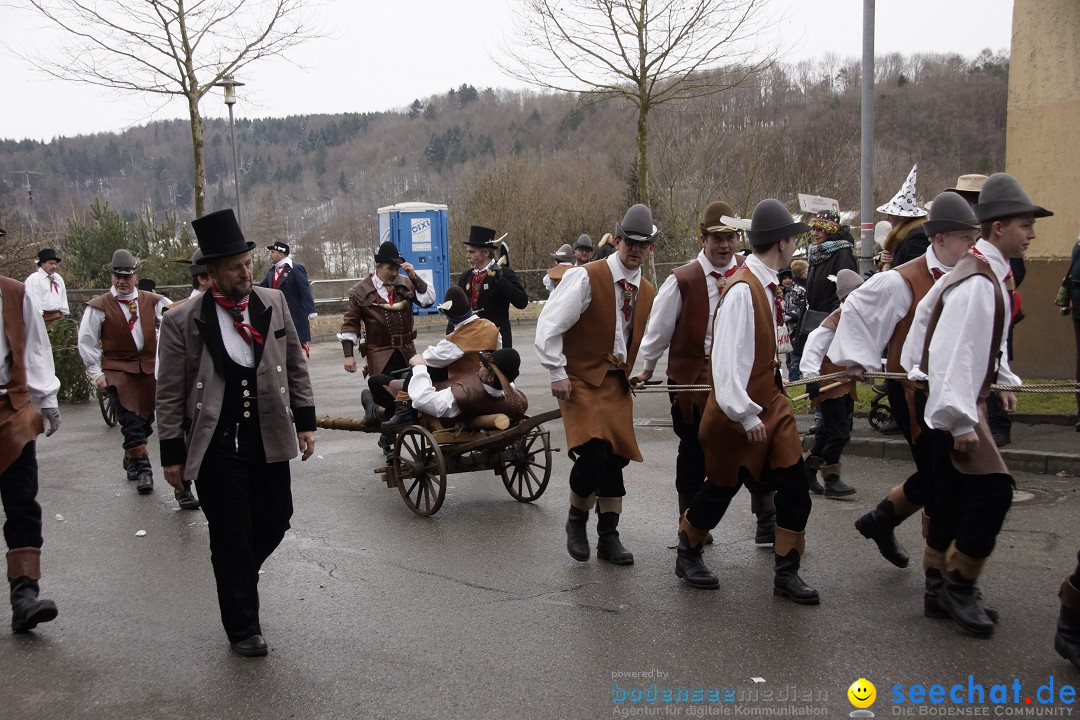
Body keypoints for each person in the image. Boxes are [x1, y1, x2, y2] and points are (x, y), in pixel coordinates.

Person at [156, 208, 316, 657]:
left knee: (276, 518)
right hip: (216, 446)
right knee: (230, 535)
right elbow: (169, 393)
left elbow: (296, 368)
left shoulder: (273, 302)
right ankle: (244, 627)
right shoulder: (181, 320)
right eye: (234, 268)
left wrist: (305, 422)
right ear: (211, 274)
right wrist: (172, 454)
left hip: (268, 436)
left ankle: (237, 575)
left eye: (247, 264)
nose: (246, 273)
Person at [901, 172, 1050, 636]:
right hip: (954, 401)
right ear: (999, 227)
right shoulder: (978, 281)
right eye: (1025, 225)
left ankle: (935, 588)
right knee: (993, 491)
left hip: (956, 398)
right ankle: (959, 584)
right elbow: (951, 353)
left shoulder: (987, 273)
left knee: (952, 494)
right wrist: (961, 420)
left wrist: (1001, 378)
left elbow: (988, 344)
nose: (1032, 234)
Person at [675, 198, 818, 603]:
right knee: (720, 489)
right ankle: (687, 552)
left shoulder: (768, 283)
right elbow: (723, 367)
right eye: (794, 239)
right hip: (738, 413)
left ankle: (786, 573)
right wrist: (744, 414)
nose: (795, 246)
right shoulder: (742, 291)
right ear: (783, 242)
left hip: (772, 404)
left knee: (795, 485)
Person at [830, 191, 979, 570]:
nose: (972, 245)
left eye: (973, 237)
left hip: (955, 389)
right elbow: (857, 308)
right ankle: (942, 574)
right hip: (914, 394)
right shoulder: (903, 279)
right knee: (944, 478)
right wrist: (858, 359)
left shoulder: (970, 276)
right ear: (940, 238)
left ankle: (882, 521)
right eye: (965, 237)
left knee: (942, 476)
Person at [634, 201, 775, 546]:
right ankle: (691, 523)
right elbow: (658, 330)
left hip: (742, 377)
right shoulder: (682, 280)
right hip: (692, 384)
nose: (724, 245)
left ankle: (767, 521)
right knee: (695, 453)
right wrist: (646, 368)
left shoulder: (751, 274)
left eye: (729, 237)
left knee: (758, 443)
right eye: (716, 238)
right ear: (702, 239)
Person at [535, 204, 657, 566]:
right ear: (617, 240)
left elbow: (651, 336)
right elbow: (548, 325)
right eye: (630, 242)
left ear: (650, 248)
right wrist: (556, 371)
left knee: (615, 460)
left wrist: (644, 368)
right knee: (595, 453)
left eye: (643, 244)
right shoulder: (587, 277)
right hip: (580, 380)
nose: (635, 249)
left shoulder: (648, 290)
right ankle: (576, 521)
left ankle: (609, 538)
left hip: (618, 383)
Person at [78, 250, 170, 496]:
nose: (121, 281)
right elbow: (86, 342)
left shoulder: (154, 301)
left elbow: (176, 322)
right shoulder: (99, 307)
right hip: (118, 369)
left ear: (136, 278)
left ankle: (131, 454)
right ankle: (144, 470)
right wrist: (97, 373)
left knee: (146, 421)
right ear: (111, 276)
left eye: (127, 276)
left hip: (150, 369)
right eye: (117, 276)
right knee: (130, 422)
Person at [1, 271, 61, 633]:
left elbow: (36, 347)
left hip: (10, 410)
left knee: (22, 503)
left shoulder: (15, 293)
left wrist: (47, 398)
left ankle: (24, 594)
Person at [372, 286, 500, 433]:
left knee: (418, 368)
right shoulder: (490, 326)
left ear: (449, 316)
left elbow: (430, 358)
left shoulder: (457, 340)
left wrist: (418, 360)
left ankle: (405, 411)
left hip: (466, 381)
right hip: (489, 376)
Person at [339, 241, 435, 433]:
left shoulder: (405, 282)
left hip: (407, 349)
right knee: (386, 395)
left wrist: (414, 277)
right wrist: (348, 354)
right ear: (378, 267)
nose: (394, 273)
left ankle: (383, 422)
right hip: (379, 352)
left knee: (411, 395)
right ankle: (389, 439)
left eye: (397, 268)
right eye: (390, 268)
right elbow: (350, 324)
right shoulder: (360, 291)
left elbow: (428, 301)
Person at [799, 269, 863, 499]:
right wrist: (810, 379)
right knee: (840, 432)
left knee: (827, 431)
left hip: (844, 380)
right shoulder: (835, 319)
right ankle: (832, 479)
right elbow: (813, 348)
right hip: (828, 380)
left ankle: (808, 469)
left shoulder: (856, 317)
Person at [799, 209, 857, 435]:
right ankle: (823, 414)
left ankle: (841, 417)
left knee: (835, 368)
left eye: (819, 229)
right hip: (814, 316)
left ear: (831, 231)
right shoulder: (817, 254)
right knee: (819, 367)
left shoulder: (842, 254)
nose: (815, 233)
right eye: (813, 229)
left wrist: (834, 316)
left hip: (831, 318)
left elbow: (846, 290)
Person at [402, 349, 528, 424]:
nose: (479, 364)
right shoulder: (516, 399)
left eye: (484, 365)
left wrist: (420, 367)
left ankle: (400, 413)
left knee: (384, 381)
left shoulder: (464, 395)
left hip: (445, 411)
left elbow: (423, 399)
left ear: (490, 378)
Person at [454, 226, 528, 348]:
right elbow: (458, 308)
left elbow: (522, 302)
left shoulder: (504, 273)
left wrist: (500, 280)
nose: (467, 256)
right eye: (467, 251)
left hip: (496, 339)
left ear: (486, 253)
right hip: (471, 339)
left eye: (472, 252)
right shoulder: (466, 276)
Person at [259, 240, 317, 356]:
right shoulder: (272, 271)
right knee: (279, 347)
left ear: (281, 254)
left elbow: (304, 290)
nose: (270, 255)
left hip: (293, 314)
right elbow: (262, 288)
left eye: (273, 252)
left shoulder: (296, 268)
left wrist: (311, 310)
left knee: (295, 348)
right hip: (276, 315)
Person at [877, 165, 929, 271]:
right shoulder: (907, 235)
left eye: (891, 214)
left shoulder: (917, 237)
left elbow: (913, 273)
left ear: (901, 217)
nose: (887, 218)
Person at [23, 248, 69, 325]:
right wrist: (39, 320)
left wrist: (64, 314)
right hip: (43, 319)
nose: (54, 266)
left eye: (55, 264)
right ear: (42, 264)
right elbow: (33, 301)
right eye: (51, 263)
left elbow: (63, 296)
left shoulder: (58, 278)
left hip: (59, 317)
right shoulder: (34, 279)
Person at [780, 268, 806, 382]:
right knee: (788, 359)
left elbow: (804, 309)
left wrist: (788, 316)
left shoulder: (799, 290)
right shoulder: (781, 292)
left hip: (797, 329)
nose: (787, 280)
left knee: (795, 359)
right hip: (786, 330)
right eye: (784, 278)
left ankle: (795, 383)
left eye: (789, 278)